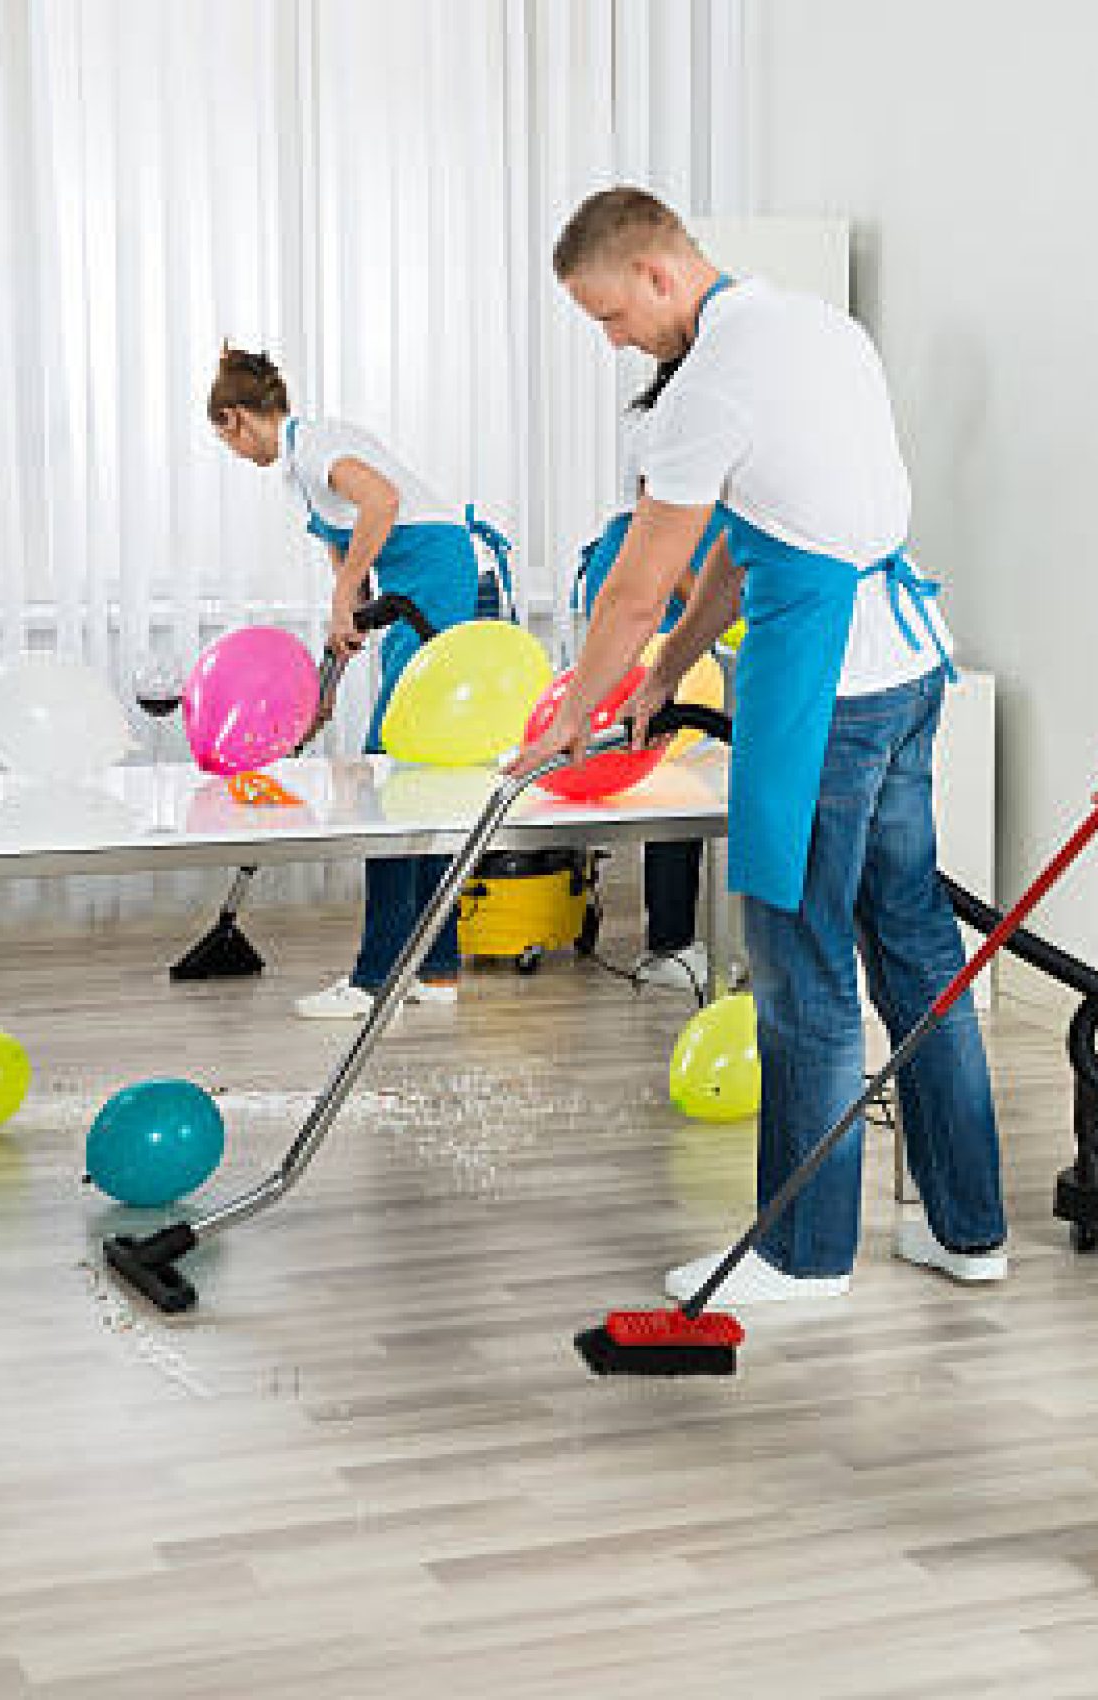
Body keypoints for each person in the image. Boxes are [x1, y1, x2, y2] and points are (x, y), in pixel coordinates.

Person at [516, 187, 1006, 1304]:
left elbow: (637, 583)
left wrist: (566, 721)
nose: (615, 340)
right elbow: (749, 540)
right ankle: (968, 1229)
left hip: (824, 699)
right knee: (920, 956)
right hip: (907, 671)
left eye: (610, 316)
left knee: (803, 974)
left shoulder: (706, 389)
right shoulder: (817, 329)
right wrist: (653, 680)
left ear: (655, 273)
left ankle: (800, 1251)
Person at [207, 346, 479, 1020]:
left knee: (389, 779)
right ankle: (437, 972)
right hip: (412, 587)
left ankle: (374, 978)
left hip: (435, 579)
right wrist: (330, 671)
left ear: (235, 418)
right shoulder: (297, 476)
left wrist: (348, 592)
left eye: (226, 439)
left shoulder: (316, 446)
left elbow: (381, 503)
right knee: (419, 778)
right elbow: (346, 570)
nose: (235, 453)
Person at [572, 356, 726, 993]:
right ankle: (671, 944)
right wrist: (704, 607)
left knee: (664, 773)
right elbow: (670, 542)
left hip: (636, 589)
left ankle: (671, 939)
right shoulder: (679, 421)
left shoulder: (669, 416)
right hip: (655, 606)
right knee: (674, 777)